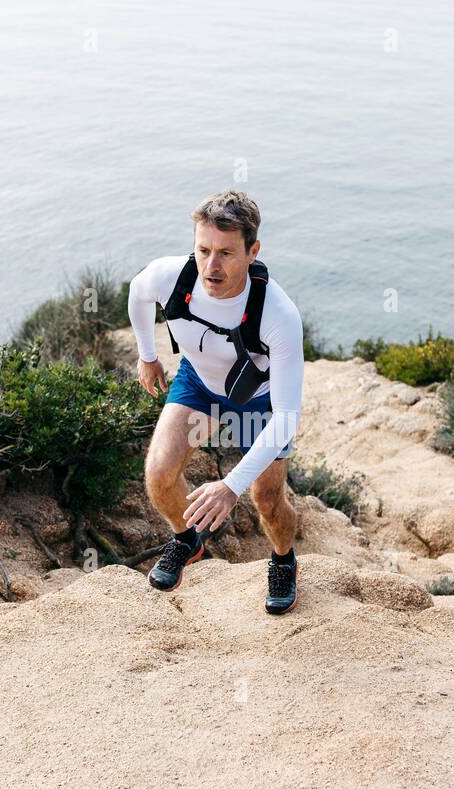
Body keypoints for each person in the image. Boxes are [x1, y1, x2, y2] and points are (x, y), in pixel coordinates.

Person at [127, 189, 304, 613]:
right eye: (203, 250)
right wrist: (147, 356)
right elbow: (137, 292)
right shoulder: (170, 276)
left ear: (252, 250)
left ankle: (283, 559)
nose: (211, 266)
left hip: (258, 403)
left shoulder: (278, 314)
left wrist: (229, 487)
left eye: (226, 253)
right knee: (158, 474)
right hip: (199, 385)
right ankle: (187, 539)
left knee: (266, 499)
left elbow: (286, 418)